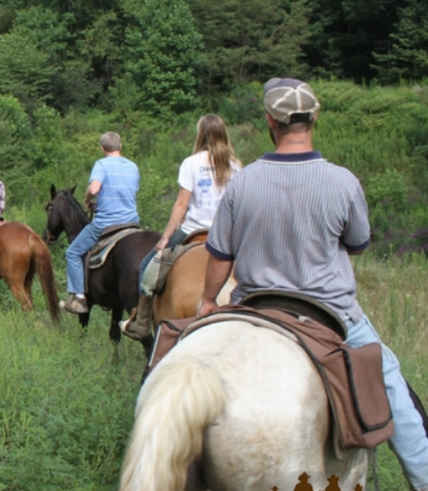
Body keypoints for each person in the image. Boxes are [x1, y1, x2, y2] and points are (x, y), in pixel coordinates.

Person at [198, 78, 428, 491]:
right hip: (331, 313)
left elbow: (219, 258)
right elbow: (357, 245)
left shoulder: (243, 182)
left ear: (270, 121)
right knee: (392, 385)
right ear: (314, 117)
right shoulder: (342, 181)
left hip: (254, 307)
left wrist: (206, 300)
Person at [123, 114, 242, 340]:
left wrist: (165, 237)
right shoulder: (236, 165)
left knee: (149, 264)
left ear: (201, 135)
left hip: (194, 230)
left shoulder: (191, 163)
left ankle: (141, 320)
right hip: (228, 235)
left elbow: (181, 204)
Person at [62, 132, 140, 314]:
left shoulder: (101, 165)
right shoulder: (133, 166)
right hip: (131, 223)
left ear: (102, 148)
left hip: (106, 224)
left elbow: (95, 188)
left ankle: (79, 298)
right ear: (120, 146)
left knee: (72, 252)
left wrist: (87, 199)